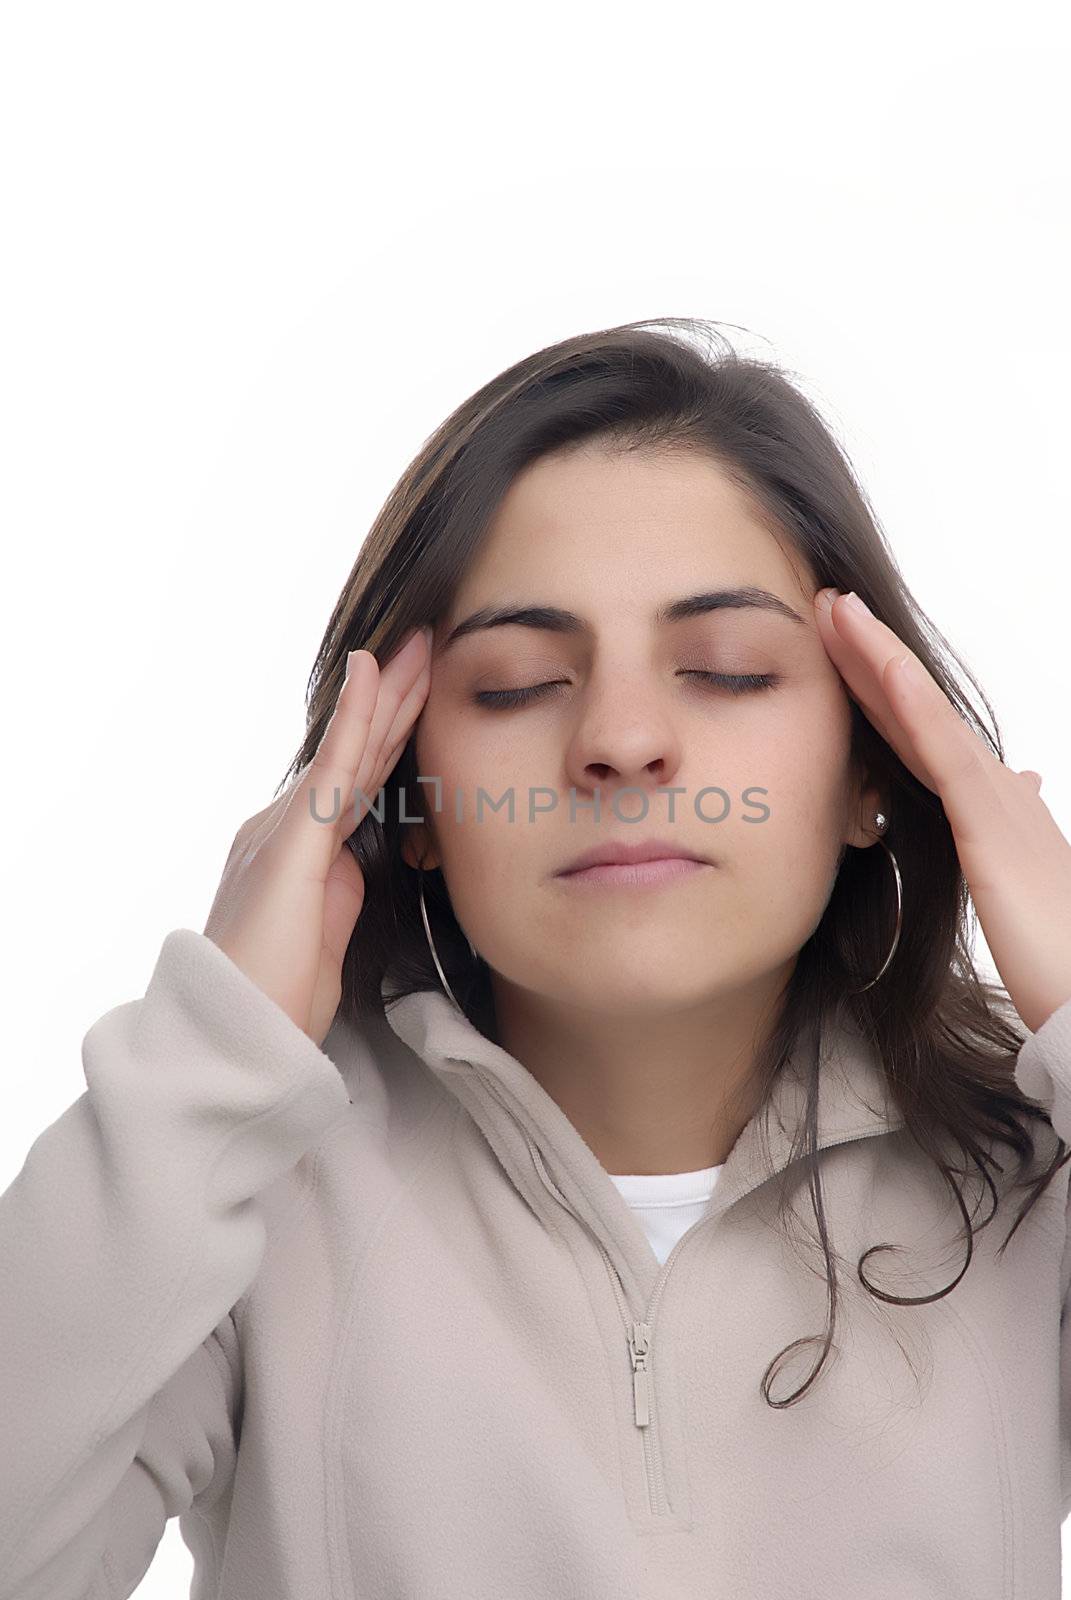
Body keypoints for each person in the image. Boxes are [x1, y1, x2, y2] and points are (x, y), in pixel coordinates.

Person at [2, 315, 1070, 1600]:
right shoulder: (234, 1202)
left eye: (727, 671)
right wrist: (209, 1060)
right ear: (412, 795)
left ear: (873, 776)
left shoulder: (1032, 1187)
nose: (621, 739)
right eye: (512, 684)